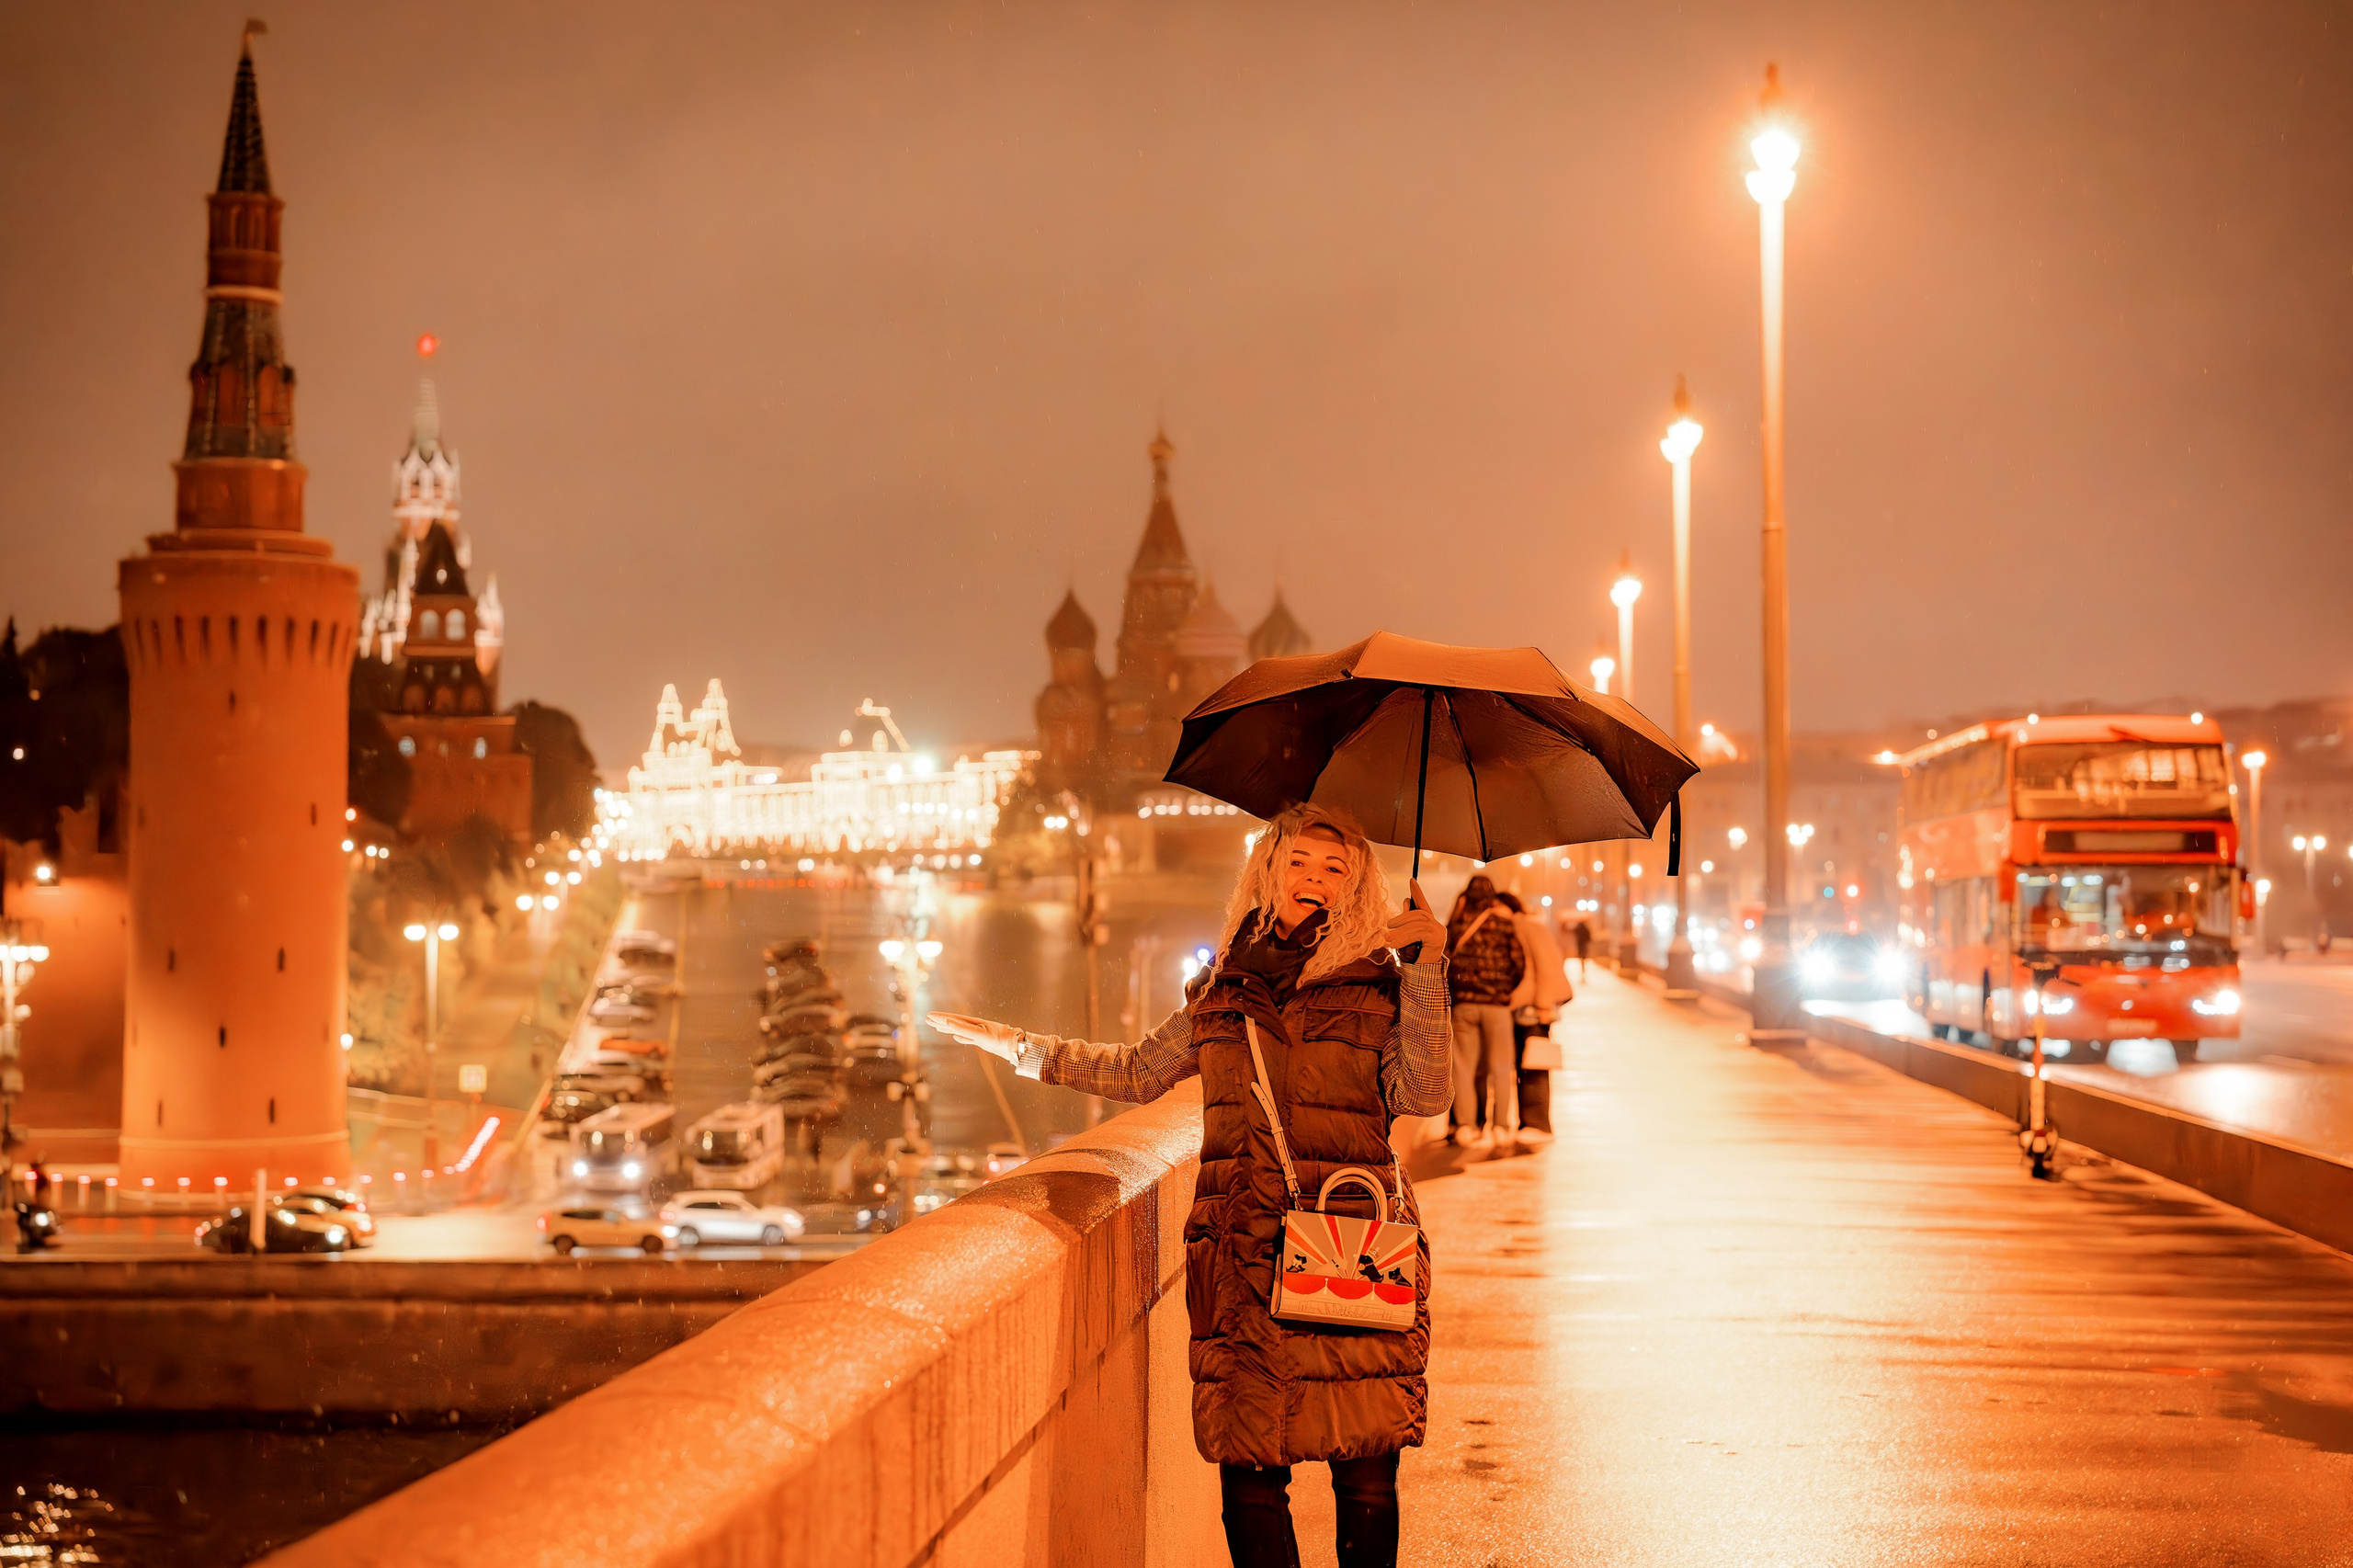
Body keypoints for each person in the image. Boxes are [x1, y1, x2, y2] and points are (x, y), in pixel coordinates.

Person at [929, 803, 1451, 1568]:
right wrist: (1020, 1048)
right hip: (1242, 1250)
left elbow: (1423, 1092)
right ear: (1267, 873)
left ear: (1357, 887)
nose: (1313, 879)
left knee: (1365, 1466)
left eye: (1334, 869)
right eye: (1297, 862)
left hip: (1352, 1239)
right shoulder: (1223, 986)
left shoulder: (1382, 981)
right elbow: (1138, 1072)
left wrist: (1430, 970)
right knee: (1249, 1474)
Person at [1497, 894, 1569, 1141]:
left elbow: (1546, 965)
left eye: (1497, 906)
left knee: (1534, 1065)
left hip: (1533, 1008)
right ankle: (1529, 1122)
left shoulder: (1526, 926)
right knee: (1526, 1063)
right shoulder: (1523, 925)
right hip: (1525, 1007)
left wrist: (1542, 1004)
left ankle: (1537, 1124)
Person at [1570, 915, 1594, 980]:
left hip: (1580, 946)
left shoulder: (1578, 929)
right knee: (1583, 959)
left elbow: (1573, 933)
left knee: (1581, 959)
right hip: (1584, 946)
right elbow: (1589, 938)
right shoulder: (1585, 929)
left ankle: (1582, 971)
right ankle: (1583, 971)